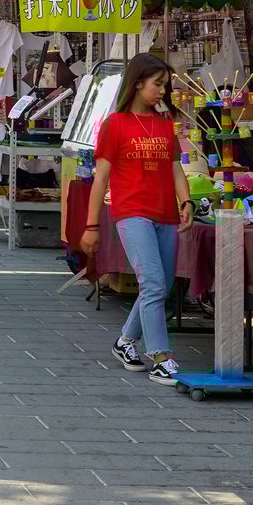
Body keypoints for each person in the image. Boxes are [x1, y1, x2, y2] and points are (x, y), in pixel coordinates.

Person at [80, 53, 194, 384]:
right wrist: (91, 225)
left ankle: (126, 341)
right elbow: (100, 179)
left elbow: (175, 167)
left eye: (165, 85)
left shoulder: (163, 124)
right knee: (154, 282)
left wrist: (185, 201)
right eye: (157, 84)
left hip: (166, 214)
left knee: (163, 284)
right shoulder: (114, 125)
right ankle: (161, 356)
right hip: (132, 212)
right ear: (137, 82)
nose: (162, 91)